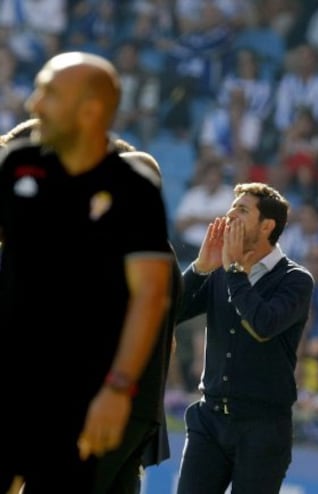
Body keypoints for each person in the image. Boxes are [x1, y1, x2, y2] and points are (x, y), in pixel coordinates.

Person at [0, 51, 175, 494]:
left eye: (50, 93)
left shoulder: (132, 191)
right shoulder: (18, 166)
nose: (34, 103)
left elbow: (150, 296)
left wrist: (117, 388)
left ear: (90, 110)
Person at [175, 182, 314, 494]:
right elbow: (171, 313)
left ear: (267, 226)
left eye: (242, 209)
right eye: (231, 208)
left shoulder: (295, 280)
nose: (230, 215)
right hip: (209, 419)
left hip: (263, 428)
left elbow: (263, 325)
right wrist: (199, 269)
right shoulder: (221, 270)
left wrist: (235, 272)